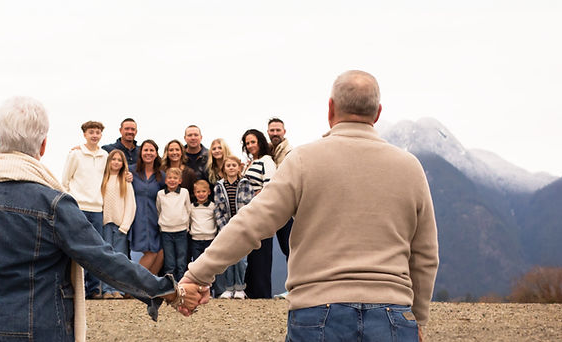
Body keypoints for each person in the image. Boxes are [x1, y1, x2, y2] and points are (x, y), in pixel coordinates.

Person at [183, 70, 439, 342]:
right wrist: (418, 319)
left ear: (330, 108)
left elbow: (250, 224)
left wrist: (197, 275)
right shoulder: (410, 168)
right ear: (377, 113)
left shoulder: (304, 160)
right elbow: (425, 254)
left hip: (317, 311)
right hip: (392, 313)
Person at [0, 96, 204, 342]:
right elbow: (105, 260)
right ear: (43, 146)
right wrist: (168, 291)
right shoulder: (55, 204)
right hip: (39, 329)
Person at [61, 121, 109, 299]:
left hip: (97, 208)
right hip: (79, 207)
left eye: (97, 132)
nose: (94, 135)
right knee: (76, 248)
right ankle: (74, 288)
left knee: (96, 249)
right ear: (84, 134)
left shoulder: (105, 155)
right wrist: (71, 203)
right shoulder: (75, 154)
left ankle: (94, 288)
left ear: (101, 135)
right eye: (91, 132)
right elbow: (65, 181)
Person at [240, 128, 277, 299]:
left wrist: (256, 197)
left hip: (261, 212)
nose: (250, 146)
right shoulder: (251, 163)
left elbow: (270, 186)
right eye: (247, 143)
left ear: (260, 142)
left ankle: (262, 293)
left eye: (252, 142)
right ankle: (252, 291)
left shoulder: (266, 161)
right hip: (250, 213)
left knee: (262, 253)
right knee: (252, 252)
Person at [212, 156, 253, 299]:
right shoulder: (219, 186)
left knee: (241, 260)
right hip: (226, 228)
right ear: (224, 169)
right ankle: (229, 288)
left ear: (239, 167)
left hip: (242, 227)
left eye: (234, 165)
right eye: (228, 165)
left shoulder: (245, 184)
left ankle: (240, 288)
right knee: (228, 259)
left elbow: (250, 205)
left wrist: (243, 225)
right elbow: (218, 209)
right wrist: (225, 227)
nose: (231, 167)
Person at [100, 149, 135, 299]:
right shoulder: (102, 180)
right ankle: (106, 289)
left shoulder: (125, 181)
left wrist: (125, 226)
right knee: (105, 258)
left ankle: (118, 289)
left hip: (120, 226)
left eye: (119, 160)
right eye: (113, 159)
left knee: (119, 259)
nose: (116, 162)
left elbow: (131, 204)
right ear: (108, 162)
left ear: (123, 163)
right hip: (105, 225)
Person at [268, 117, 294, 299]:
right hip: (275, 207)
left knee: (290, 247)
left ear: (284, 132)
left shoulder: (290, 153)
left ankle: (293, 287)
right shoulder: (270, 153)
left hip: (288, 207)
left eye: (278, 130)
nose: (275, 133)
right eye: (272, 130)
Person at [131, 139, 166, 276]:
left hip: (155, 219)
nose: (148, 153)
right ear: (141, 152)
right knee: (150, 252)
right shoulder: (131, 171)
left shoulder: (161, 176)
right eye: (146, 150)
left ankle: (146, 288)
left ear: (156, 153)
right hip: (137, 217)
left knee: (161, 253)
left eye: (152, 150)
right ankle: (134, 285)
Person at [156, 168, 191, 283]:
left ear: (180, 180)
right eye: (170, 178)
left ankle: (181, 284)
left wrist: (186, 226)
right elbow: (158, 210)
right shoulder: (161, 194)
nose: (172, 180)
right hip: (166, 231)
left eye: (175, 178)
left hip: (181, 230)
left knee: (181, 259)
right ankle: (170, 285)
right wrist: (162, 225)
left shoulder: (184, 192)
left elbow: (188, 209)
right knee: (169, 260)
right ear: (165, 180)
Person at [187, 179, 216, 274]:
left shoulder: (213, 206)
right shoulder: (191, 207)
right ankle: (198, 285)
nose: (201, 194)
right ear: (194, 193)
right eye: (198, 192)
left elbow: (216, 221)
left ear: (209, 192)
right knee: (197, 264)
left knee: (210, 264)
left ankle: (211, 286)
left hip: (210, 240)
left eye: (204, 191)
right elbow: (189, 221)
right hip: (196, 241)